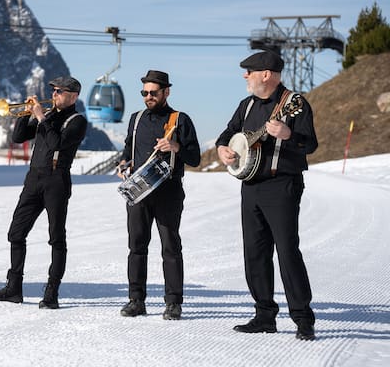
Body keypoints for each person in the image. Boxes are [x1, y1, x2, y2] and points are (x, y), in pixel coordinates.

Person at [216, 51, 318, 341]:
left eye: (249, 71)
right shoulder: (246, 106)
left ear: (267, 74)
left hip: (282, 185)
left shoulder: (294, 103)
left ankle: (302, 317)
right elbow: (227, 134)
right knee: (255, 252)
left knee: (287, 251)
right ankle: (264, 315)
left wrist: (288, 134)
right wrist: (223, 149)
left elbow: (310, 144)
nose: (244, 76)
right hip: (250, 187)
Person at [0, 76, 88, 309]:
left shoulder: (77, 121)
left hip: (56, 180)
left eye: (59, 91)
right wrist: (26, 114)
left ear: (73, 96)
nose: (54, 95)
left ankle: (52, 292)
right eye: (53, 90)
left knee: (56, 237)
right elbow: (18, 137)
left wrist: (41, 117)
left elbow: (56, 143)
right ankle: (13, 288)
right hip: (34, 178)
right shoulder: (48, 116)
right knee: (16, 232)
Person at [117, 70, 200, 320]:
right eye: (145, 93)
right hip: (139, 191)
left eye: (153, 93)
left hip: (169, 191)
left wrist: (175, 146)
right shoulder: (136, 118)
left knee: (170, 247)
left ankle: (173, 303)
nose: (148, 97)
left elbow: (195, 157)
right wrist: (123, 164)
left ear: (166, 92)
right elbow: (127, 150)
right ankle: (136, 300)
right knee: (136, 247)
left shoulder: (180, 119)